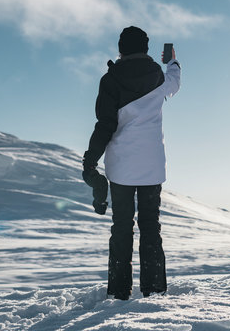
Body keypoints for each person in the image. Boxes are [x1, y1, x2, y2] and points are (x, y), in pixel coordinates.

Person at [82, 26, 181, 300]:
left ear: (120, 49)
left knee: (122, 228)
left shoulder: (110, 80)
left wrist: (90, 160)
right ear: (146, 49)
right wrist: (172, 60)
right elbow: (175, 80)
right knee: (151, 226)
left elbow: (105, 125)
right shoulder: (159, 77)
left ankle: (118, 292)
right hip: (152, 167)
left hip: (122, 168)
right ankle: (155, 290)